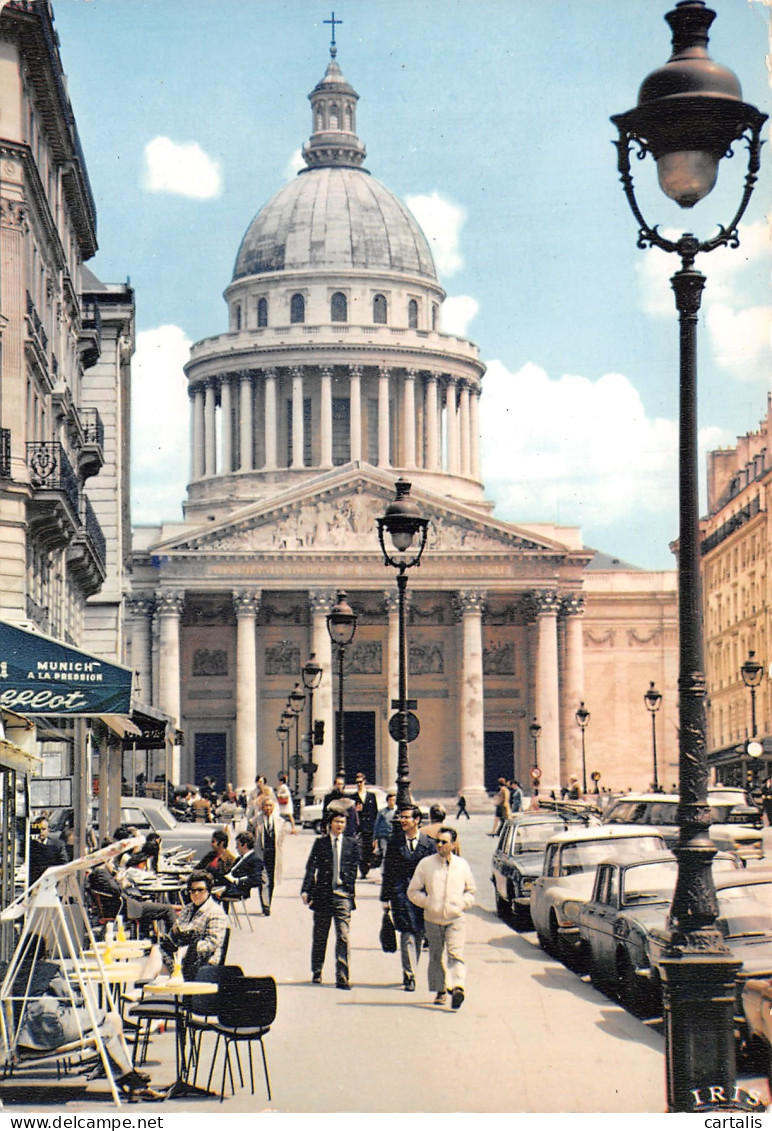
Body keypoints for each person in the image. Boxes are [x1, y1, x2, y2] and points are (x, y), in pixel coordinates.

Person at [12, 940, 164, 1102]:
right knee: (108, 1019)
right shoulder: (47, 970)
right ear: (44, 954)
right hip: (52, 1027)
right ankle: (126, 1075)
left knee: (105, 1030)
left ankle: (128, 1077)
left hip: (26, 1035)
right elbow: (72, 998)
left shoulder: (13, 973)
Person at [407, 826, 476, 1009]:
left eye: (444, 842)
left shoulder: (462, 865)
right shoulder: (426, 864)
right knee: (436, 956)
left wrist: (462, 904)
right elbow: (413, 891)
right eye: (437, 841)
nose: (439, 845)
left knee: (455, 954)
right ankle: (440, 990)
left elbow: (471, 890)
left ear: (453, 844)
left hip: (455, 919)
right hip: (433, 919)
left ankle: (458, 986)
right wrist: (428, 902)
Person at [380, 804, 434, 991]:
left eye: (406, 817)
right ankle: (409, 975)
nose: (402, 820)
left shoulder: (430, 844)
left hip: (422, 896)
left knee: (418, 933)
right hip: (401, 894)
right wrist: (385, 898)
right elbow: (388, 871)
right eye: (401, 817)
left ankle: (411, 969)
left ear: (416, 820)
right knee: (407, 933)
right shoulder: (395, 842)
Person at [300, 812, 358, 988]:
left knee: (343, 936)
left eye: (343, 822)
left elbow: (354, 866)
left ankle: (342, 976)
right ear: (330, 824)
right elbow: (311, 867)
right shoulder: (321, 843)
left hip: (342, 894)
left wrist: (348, 885)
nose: (340, 825)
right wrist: (306, 890)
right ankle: (317, 970)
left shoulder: (351, 844)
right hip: (323, 895)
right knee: (320, 935)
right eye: (336, 822)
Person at [160, 870, 229, 980]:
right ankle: (145, 991)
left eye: (200, 890)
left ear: (209, 890)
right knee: (157, 951)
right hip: (180, 955)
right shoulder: (187, 909)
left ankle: (149, 992)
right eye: (192, 890)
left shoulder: (216, 912)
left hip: (202, 960)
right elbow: (175, 934)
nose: (196, 894)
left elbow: (212, 943)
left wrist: (188, 949)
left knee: (162, 960)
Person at [252, 796, 285, 915]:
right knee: (263, 879)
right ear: (262, 807)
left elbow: (281, 839)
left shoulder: (280, 822)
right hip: (261, 854)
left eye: (270, 806)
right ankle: (265, 906)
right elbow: (250, 838)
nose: (268, 808)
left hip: (274, 855)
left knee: (272, 880)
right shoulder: (255, 821)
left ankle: (268, 902)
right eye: (266, 806)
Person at [218, 831, 264, 902]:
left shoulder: (255, 860)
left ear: (244, 845)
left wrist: (237, 881)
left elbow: (256, 880)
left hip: (237, 889)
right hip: (227, 883)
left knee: (208, 890)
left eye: (238, 845)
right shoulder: (240, 859)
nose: (236, 848)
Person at [352, 773, 378, 878]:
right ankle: (363, 870)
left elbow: (375, 813)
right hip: (359, 828)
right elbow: (350, 813)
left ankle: (366, 869)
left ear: (364, 781)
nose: (359, 784)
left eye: (360, 782)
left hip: (369, 827)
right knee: (359, 849)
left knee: (368, 849)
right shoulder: (353, 797)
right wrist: (356, 810)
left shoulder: (371, 796)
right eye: (357, 782)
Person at [28, 818, 68, 885]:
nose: (41, 832)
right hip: (34, 883)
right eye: (38, 830)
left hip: (53, 882)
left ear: (48, 830)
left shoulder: (57, 845)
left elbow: (64, 863)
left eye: (43, 829)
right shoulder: (29, 846)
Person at [373, 792, 397, 861]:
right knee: (384, 853)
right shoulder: (382, 812)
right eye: (390, 800)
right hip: (383, 836)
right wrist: (375, 838)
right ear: (387, 801)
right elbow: (377, 824)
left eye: (393, 800)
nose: (392, 802)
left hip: (393, 835)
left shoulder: (396, 812)